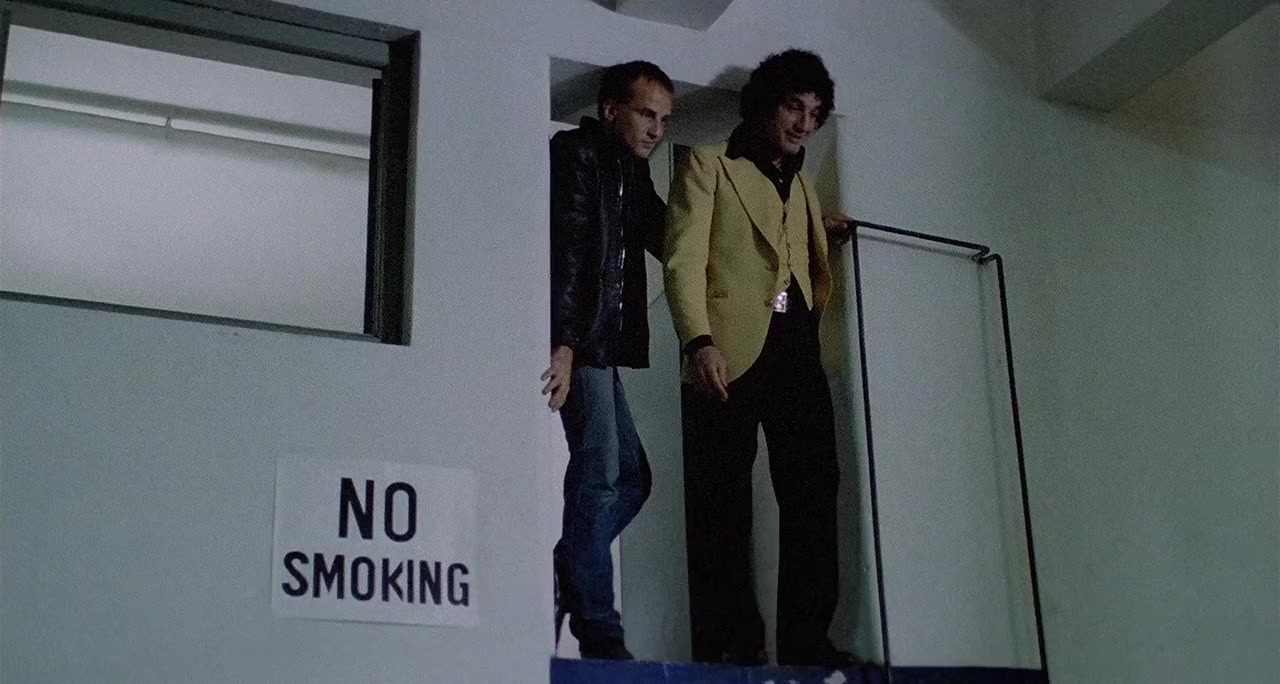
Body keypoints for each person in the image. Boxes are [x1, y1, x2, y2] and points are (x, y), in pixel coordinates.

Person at [663, 49, 854, 667]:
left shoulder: (803, 184)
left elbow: (783, 250)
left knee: (814, 491)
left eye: (815, 114)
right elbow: (683, 260)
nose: (804, 124)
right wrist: (698, 341)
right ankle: (730, 648)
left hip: (796, 347)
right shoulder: (708, 163)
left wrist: (821, 229)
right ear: (767, 103)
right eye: (794, 108)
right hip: (725, 352)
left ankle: (807, 643)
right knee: (721, 503)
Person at [542, 60, 673, 661]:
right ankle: (599, 628)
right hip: (580, 342)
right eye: (646, 114)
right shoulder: (577, 155)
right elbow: (568, 250)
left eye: (664, 120)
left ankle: (572, 561)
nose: (656, 130)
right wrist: (565, 345)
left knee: (633, 479)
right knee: (598, 476)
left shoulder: (632, 172)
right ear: (611, 109)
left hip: (601, 345)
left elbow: (669, 238)